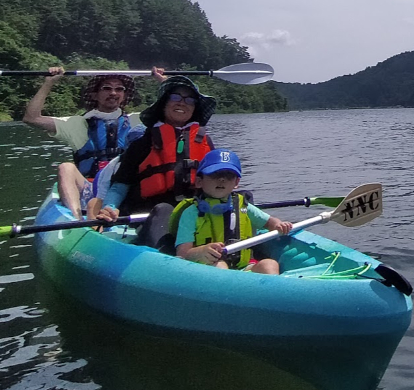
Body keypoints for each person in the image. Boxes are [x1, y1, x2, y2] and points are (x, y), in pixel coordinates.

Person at [99, 76, 218, 245]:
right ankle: (168, 257)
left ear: (194, 108)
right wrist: (110, 207)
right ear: (164, 104)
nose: (182, 103)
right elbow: (120, 185)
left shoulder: (205, 141)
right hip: (151, 215)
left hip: (196, 212)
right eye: (175, 97)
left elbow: (219, 179)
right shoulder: (143, 143)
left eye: (189, 100)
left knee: (241, 199)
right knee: (164, 210)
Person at [23, 67, 146, 216]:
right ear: (95, 95)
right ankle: (77, 220)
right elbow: (32, 118)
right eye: (106, 88)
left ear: (124, 95)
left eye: (119, 89)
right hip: (90, 189)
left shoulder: (139, 120)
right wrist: (49, 83)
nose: (113, 93)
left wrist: (163, 80)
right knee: (66, 168)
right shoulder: (77, 124)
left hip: (125, 188)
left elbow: (175, 112)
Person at [173, 149, 292, 273]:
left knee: (269, 264)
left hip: (243, 268)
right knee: (220, 267)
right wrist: (201, 252)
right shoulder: (191, 213)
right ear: (199, 182)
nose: (222, 180)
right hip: (206, 268)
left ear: (236, 183)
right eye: (215, 174)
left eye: (229, 175)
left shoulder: (243, 206)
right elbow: (183, 253)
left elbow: (269, 222)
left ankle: (269, 291)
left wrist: (278, 224)